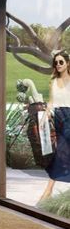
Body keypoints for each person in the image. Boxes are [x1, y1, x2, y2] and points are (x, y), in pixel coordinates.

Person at [40, 50, 70, 202]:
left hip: (69, 117)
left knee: (62, 153)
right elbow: (51, 101)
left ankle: (48, 190)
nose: (58, 65)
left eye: (61, 62)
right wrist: (46, 114)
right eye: (56, 63)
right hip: (58, 117)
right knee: (62, 153)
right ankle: (49, 190)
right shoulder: (53, 81)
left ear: (67, 63)